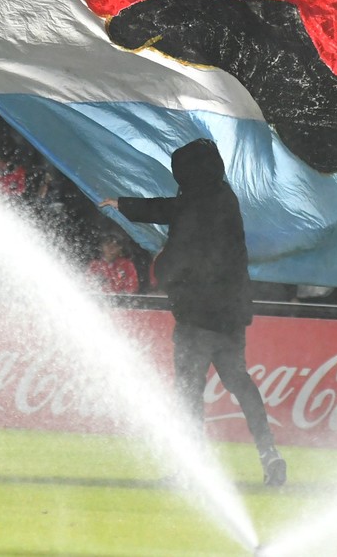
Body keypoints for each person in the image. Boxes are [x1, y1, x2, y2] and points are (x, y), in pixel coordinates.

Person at [98, 140, 286, 486]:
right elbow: (175, 209)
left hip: (197, 317)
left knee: (188, 391)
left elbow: (178, 247)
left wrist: (162, 274)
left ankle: (192, 468)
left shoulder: (194, 207)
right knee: (239, 382)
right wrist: (125, 204)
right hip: (230, 317)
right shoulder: (221, 197)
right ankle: (268, 452)